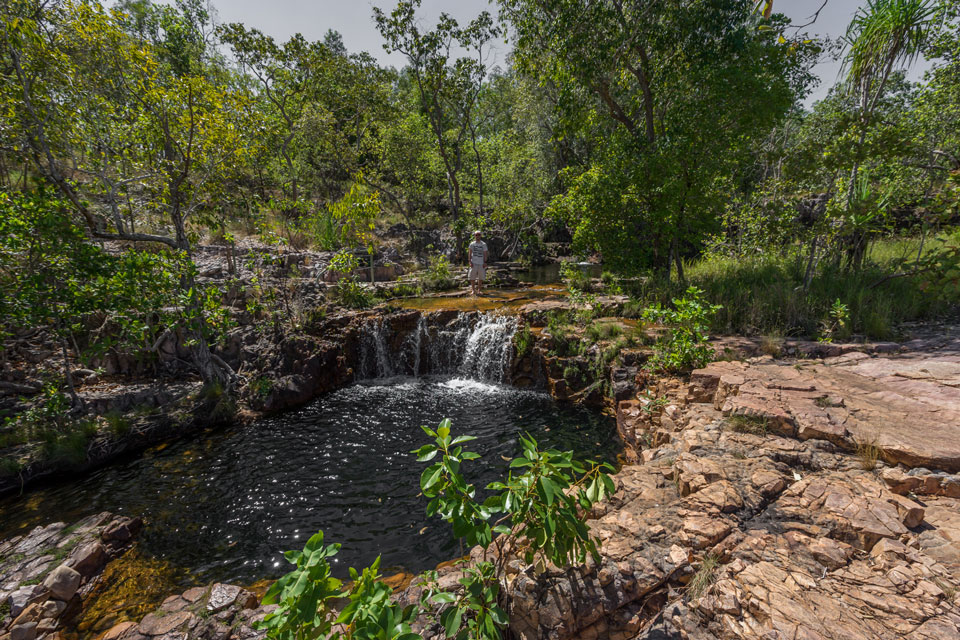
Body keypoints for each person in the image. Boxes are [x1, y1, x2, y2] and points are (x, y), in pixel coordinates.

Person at [467, 230, 488, 296]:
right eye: (476, 235)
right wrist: (470, 261)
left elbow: (485, 254)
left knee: (480, 277)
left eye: (479, 235)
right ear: (474, 236)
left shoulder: (483, 244)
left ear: (480, 236)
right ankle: (473, 290)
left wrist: (485, 262)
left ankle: (479, 290)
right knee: (472, 276)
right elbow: (470, 253)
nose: (477, 236)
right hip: (474, 262)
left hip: (481, 263)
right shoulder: (472, 244)